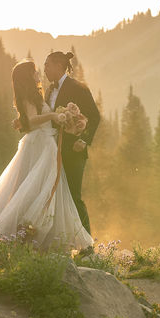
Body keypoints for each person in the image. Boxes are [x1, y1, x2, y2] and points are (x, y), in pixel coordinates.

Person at [0, 59, 93, 253]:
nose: (38, 74)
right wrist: (52, 116)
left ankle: (43, 234)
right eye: (35, 71)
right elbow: (34, 120)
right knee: (37, 187)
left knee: (44, 187)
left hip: (45, 143)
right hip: (40, 145)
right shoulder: (28, 96)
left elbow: (30, 120)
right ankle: (28, 232)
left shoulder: (35, 95)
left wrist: (69, 114)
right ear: (28, 76)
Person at [43, 51, 101, 248]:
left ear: (59, 66)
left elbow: (94, 116)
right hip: (53, 150)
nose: (44, 70)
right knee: (55, 196)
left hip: (74, 152)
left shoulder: (78, 88)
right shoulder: (50, 90)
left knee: (74, 196)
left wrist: (83, 140)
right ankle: (59, 244)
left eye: (47, 66)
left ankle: (87, 247)